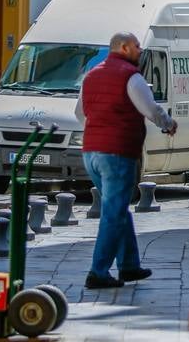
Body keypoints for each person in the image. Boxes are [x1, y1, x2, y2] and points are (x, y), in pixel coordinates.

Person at [75, 31, 177, 290]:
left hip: (91, 152)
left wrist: (99, 128)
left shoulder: (91, 75)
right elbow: (150, 109)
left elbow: (79, 113)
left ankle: (129, 265)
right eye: (136, 46)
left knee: (117, 209)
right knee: (113, 212)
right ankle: (98, 272)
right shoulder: (131, 77)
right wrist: (168, 124)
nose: (140, 50)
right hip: (117, 152)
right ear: (123, 47)